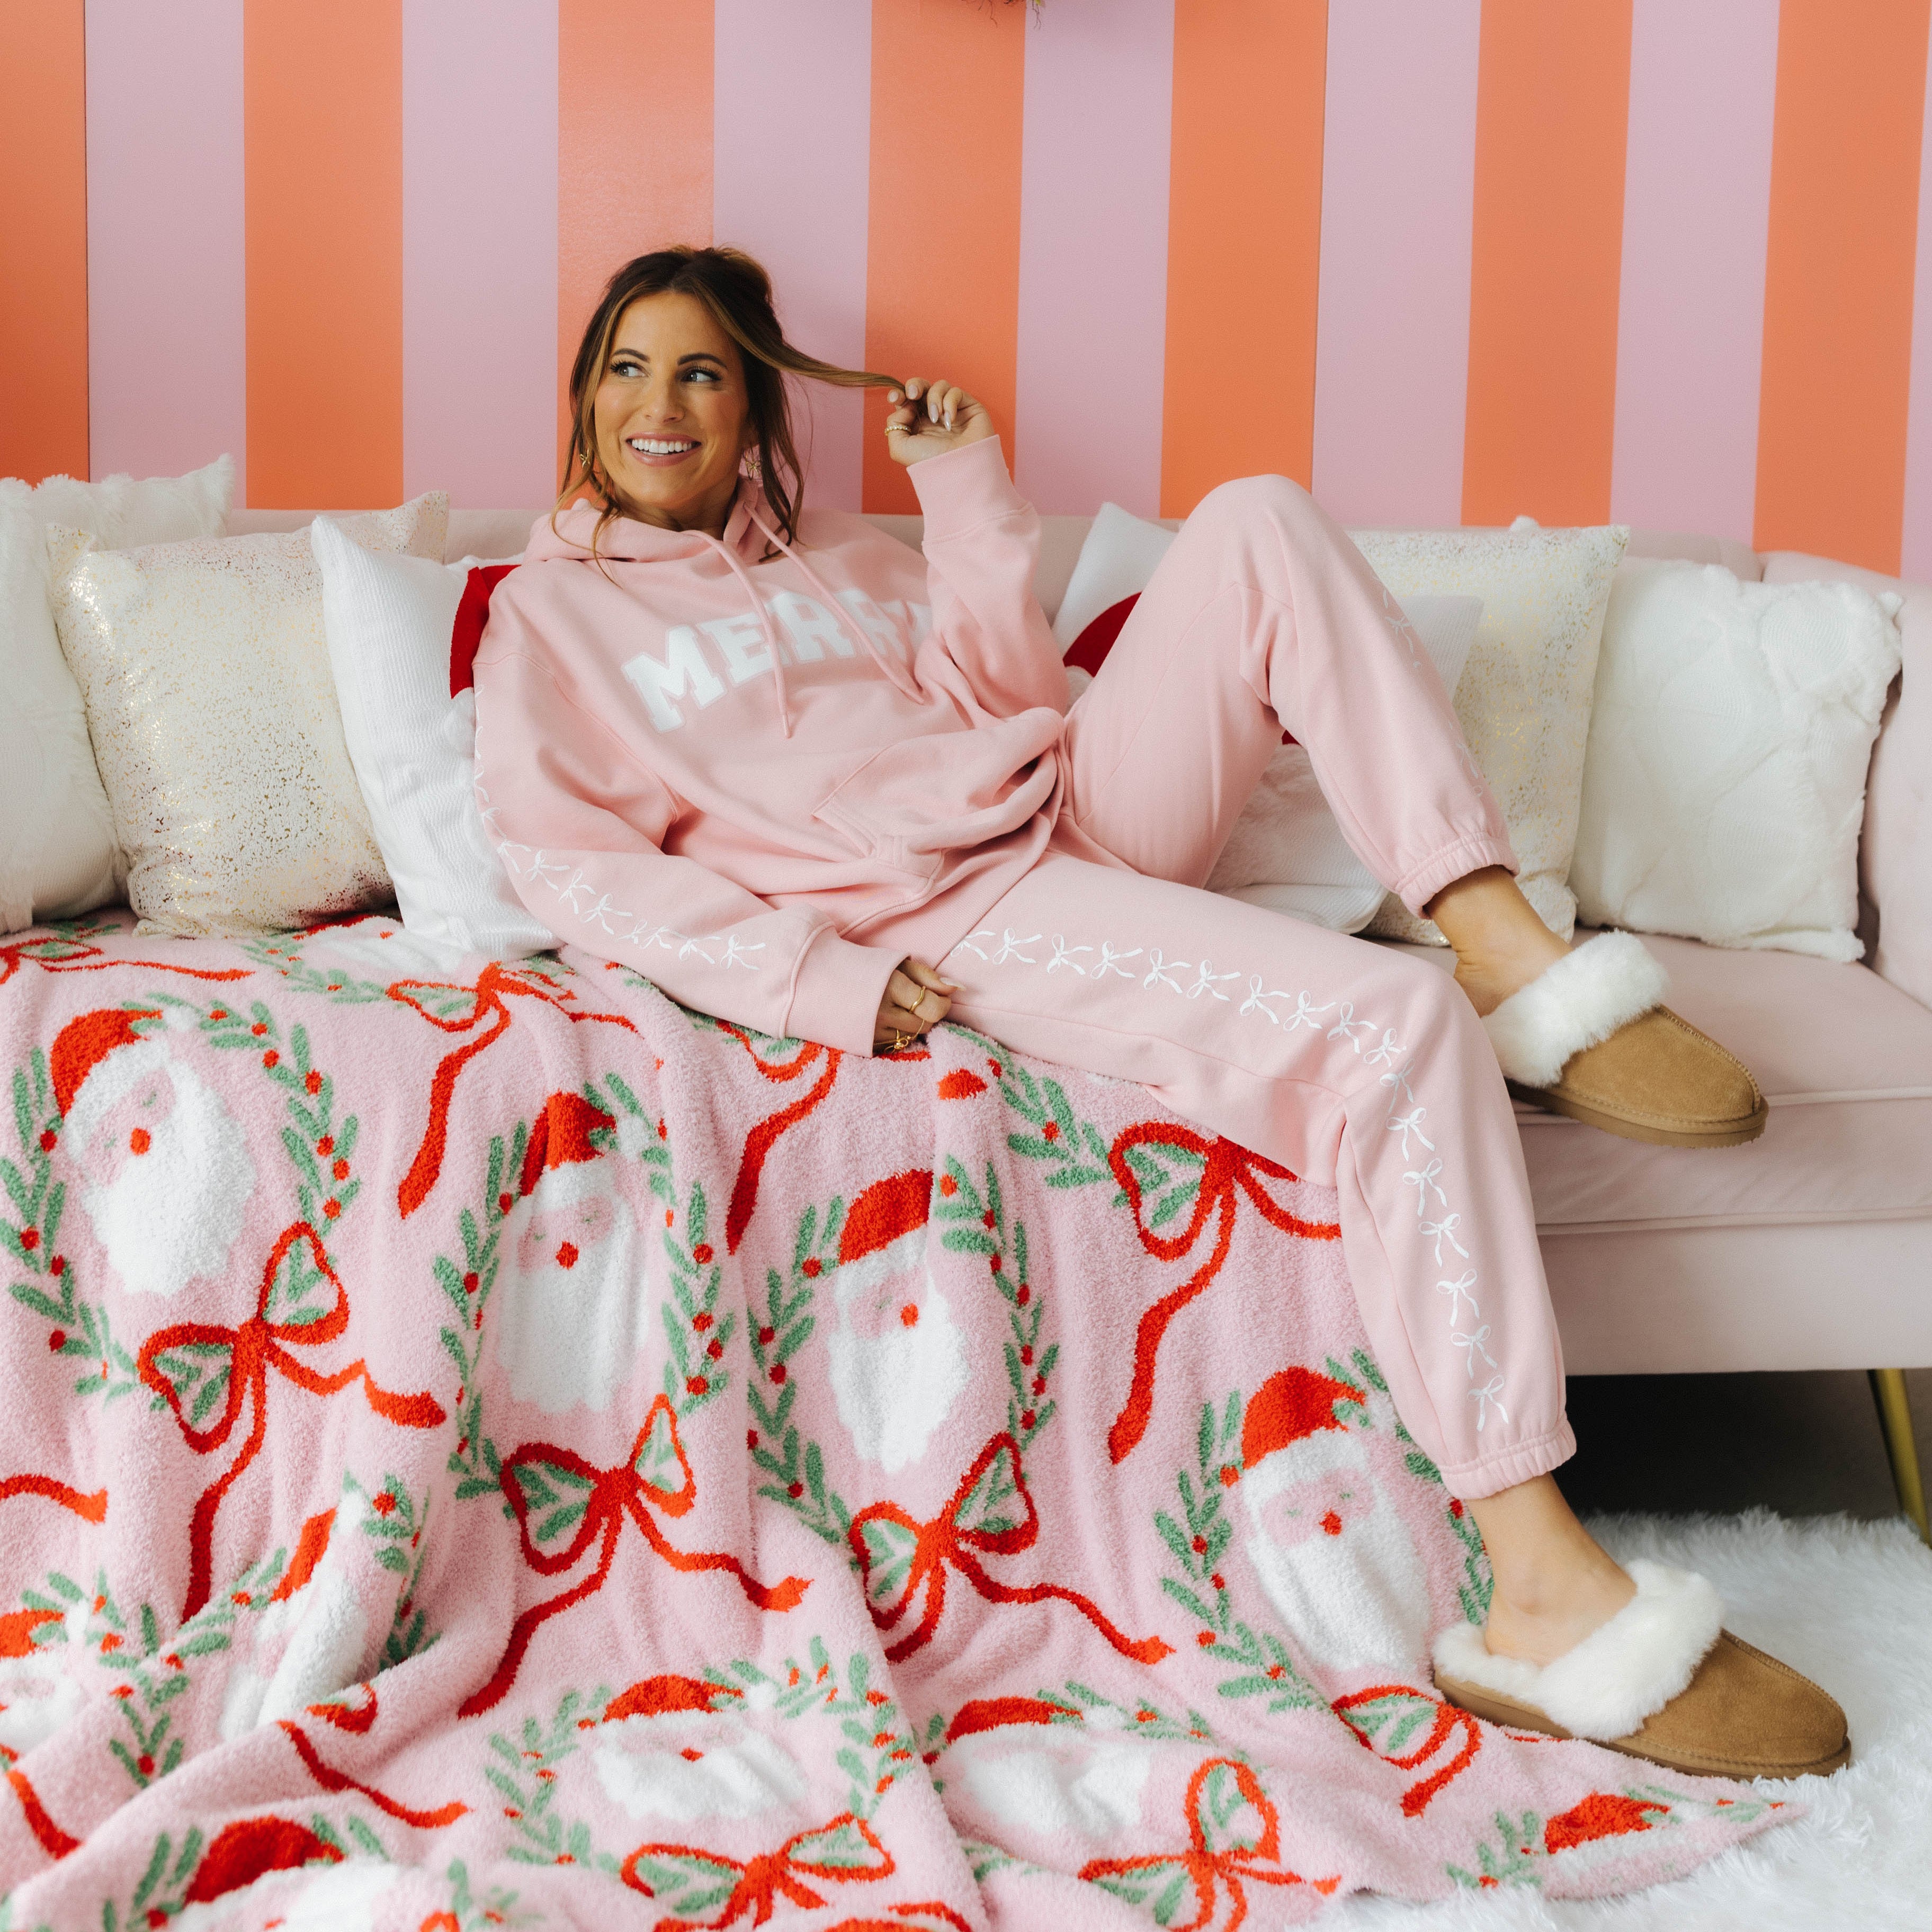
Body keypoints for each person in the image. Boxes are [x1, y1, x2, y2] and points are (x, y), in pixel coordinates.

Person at [472, 245, 1846, 1780]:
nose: (662, 404)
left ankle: (1504, 934)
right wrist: (824, 983)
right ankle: (1540, 1581)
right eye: (627, 369)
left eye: (704, 372)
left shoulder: (837, 555)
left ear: (756, 412)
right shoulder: (550, 620)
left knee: (1257, 514)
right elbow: (576, 870)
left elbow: (1005, 692)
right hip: (959, 912)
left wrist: (967, 490)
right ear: (585, 401)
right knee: (1393, 1029)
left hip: (1063, 801)